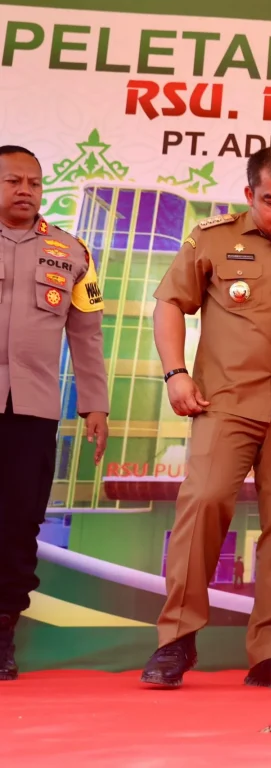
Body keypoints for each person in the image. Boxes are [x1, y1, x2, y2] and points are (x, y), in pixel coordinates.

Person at [140, 146, 271, 690]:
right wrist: (175, 373)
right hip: (224, 403)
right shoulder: (212, 239)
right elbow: (169, 303)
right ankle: (175, 641)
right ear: (250, 196)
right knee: (201, 506)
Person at [0, 146, 109, 681]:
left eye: (34, 182)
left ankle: (2, 634)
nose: (25, 189)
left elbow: (87, 335)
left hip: (33, 413)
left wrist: (95, 404)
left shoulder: (72, 253)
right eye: (13, 180)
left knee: (19, 521)